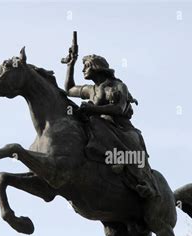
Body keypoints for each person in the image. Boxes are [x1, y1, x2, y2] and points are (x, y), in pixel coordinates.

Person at [63, 52, 157, 199]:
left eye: (86, 66)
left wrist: (93, 109)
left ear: (97, 67)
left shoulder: (119, 86)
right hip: (100, 126)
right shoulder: (91, 89)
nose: (83, 70)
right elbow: (69, 89)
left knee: (131, 152)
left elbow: (119, 109)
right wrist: (70, 65)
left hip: (121, 128)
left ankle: (144, 182)